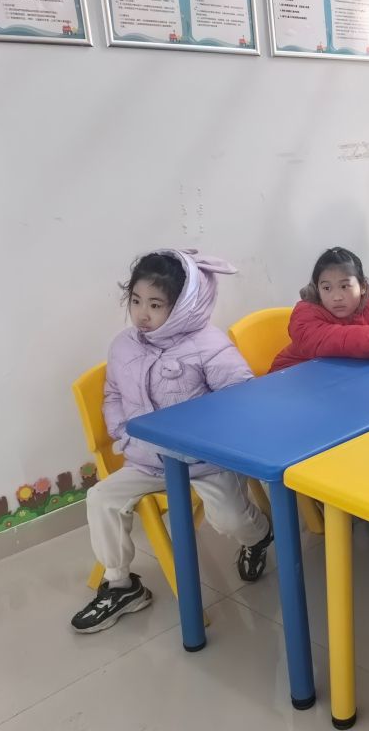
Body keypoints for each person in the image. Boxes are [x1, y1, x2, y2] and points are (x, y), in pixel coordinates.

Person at [72, 251, 272, 633]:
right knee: (101, 498)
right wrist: (122, 433)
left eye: (155, 304)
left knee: (230, 519)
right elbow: (113, 393)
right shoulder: (123, 345)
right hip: (146, 460)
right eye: (136, 301)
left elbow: (240, 396)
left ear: (181, 306)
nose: (142, 314)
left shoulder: (208, 344)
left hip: (203, 463)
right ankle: (121, 585)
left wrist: (213, 439)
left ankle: (260, 536)